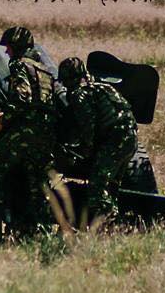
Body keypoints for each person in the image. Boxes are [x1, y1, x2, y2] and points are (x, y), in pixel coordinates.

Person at [0, 26, 57, 239]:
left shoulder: (19, 65)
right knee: (37, 185)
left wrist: (2, 120)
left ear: (17, 47)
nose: (6, 52)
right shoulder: (44, 70)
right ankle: (40, 232)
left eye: (8, 47)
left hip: (23, 133)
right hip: (44, 134)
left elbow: (21, 98)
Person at [57, 57, 138, 222]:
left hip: (114, 141)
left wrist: (83, 151)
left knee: (97, 186)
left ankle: (109, 222)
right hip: (130, 139)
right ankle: (114, 220)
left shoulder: (79, 94)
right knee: (112, 185)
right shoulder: (104, 87)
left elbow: (88, 126)